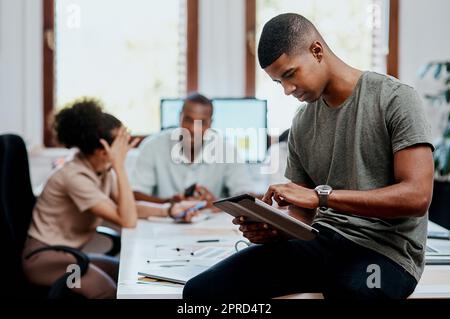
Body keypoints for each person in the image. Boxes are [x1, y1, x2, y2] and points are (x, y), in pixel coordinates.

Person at [183, 13, 434, 300]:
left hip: (385, 253)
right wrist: (273, 230)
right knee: (200, 293)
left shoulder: (395, 98)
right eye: (279, 82)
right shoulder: (302, 123)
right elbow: (302, 218)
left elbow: (417, 197)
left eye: (289, 74)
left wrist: (322, 197)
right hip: (322, 242)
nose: (288, 90)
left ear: (317, 51)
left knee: (349, 293)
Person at [22, 99, 201, 299]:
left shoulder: (101, 170)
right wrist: (119, 164)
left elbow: (128, 208)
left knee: (131, 274)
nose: (126, 146)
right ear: (102, 149)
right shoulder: (74, 177)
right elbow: (127, 219)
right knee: (109, 292)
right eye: (121, 142)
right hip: (44, 262)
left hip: (69, 256)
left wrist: (169, 209)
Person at [131, 93, 253, 208]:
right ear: (180, 118)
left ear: (210, 124)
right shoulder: (153, 146)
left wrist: (213, 202)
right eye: (189, 120)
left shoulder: (228, 151)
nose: (194, 129)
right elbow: (135, 195)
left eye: (202, 122)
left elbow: (245, 197)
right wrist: (169, 203)